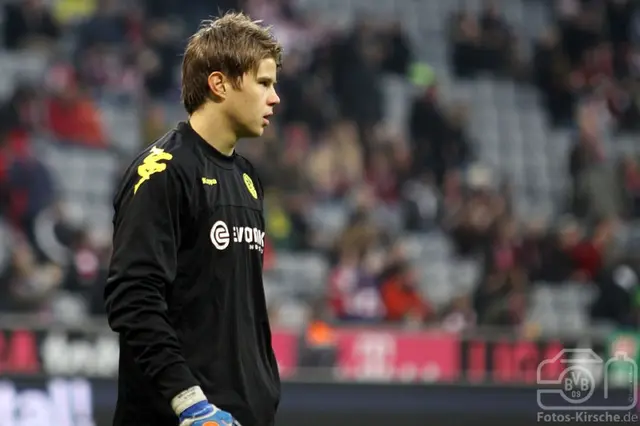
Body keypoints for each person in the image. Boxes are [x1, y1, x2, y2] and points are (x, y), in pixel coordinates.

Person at [104, 12, 282, 426]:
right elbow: (134, 300)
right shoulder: (162, 171)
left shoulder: (247, 178)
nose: (274, 98)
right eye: (264, 83)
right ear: (219, 84)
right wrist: (190, 403)